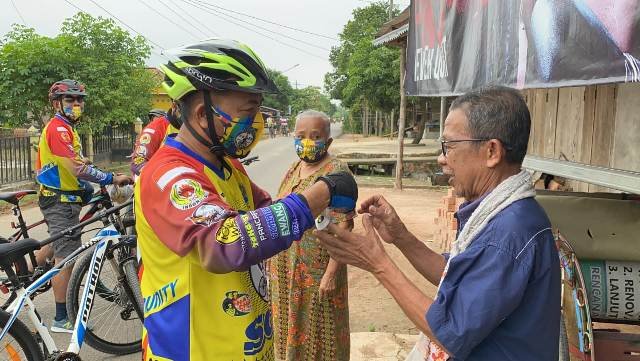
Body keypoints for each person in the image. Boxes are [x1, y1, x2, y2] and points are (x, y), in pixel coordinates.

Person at [134, 39, 358, 361]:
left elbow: (268, 213)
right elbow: (222, 244)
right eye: (249, 111)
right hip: (194, 351)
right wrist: (321, 191)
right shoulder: (168, 176)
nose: (257, 124)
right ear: (201, 115)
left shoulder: (228, 166)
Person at [316, 86, 560, 361]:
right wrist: (402, 237)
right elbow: (457, 276)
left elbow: (450, 333)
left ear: (492, 151)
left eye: (449, 145)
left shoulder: (508, 233)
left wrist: (378, 264)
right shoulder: (505, 214)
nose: (441, 158)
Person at [35, 79, 132, 332]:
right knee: (66, 256)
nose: (76, 104)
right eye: (70, 100)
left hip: (68, 196)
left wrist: (88, 165)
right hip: (60, 199)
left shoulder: (67, 128)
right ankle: (61, 318)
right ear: (57, 103)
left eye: (79, 100)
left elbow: (73, 161)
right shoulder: (58, 129)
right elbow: (76, 168)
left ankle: (28, 273)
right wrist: (111, 178)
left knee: (59, 239)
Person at [269, 110, 353, 360]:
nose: (307, 141)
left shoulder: (337, 172)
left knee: (321, 338)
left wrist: (330, 274)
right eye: (301, 135)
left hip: (316, 273)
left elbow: (344, 227)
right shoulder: (295, 167)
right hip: (284, 271)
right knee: (286, 331)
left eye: (315, 136)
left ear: (328, 141)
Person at [130, 108, 181, 176]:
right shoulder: (153, 129)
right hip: (156, 180)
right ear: (175, 106)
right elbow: (138, 162)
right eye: (152, 118)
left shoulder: (193, 127)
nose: (153, 120)